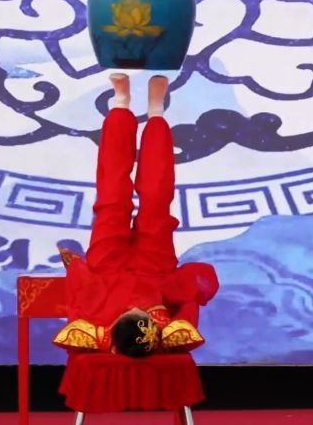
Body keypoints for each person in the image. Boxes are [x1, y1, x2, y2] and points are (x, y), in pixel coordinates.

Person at [52, 74, 218, 356]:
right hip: (154, 270)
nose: (136, 311)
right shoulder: (158, 333)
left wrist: (80, 272)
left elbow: (78, 305)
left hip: (105, 270)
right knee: (157, 196)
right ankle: (156, 112)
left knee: (112, 195)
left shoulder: (100, 335)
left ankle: (120, 104)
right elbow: (187, 306)